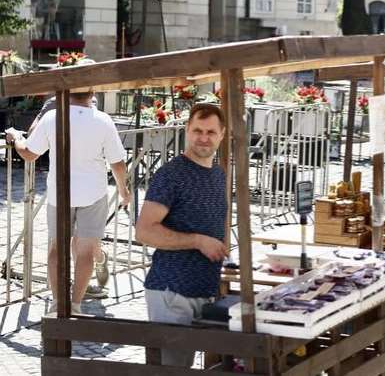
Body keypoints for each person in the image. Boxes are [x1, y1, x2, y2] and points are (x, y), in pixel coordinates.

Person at [6, 91, 130, 314]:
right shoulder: (103, 120)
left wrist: (16, 137)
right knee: (84, 252)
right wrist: (124, 190)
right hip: (93, 192)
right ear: (92, 93)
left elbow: (29, 154)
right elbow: (118, 163)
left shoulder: (53, 117)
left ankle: (56, 303)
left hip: (59, 192)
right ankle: (75, 305)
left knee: (56, 248)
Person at [135, 104, 228, 367]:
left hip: (205, 288)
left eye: (211, 131)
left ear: (222, 134)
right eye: (197, 130)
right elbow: (144, 231)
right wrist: (197, 241)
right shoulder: (171, 175)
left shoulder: (218, 174)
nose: (203, 137)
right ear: (187, 130)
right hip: (172, 291)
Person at [29, 92, 110, 299]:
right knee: (76, 246)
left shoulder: (91, 107)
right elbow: (34, 134)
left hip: (71, 188)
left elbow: (30, 149)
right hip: (76, 188)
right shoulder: (52, 106)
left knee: (76, 245)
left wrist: (17, 140)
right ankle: (73, 300)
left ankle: (66, 298)